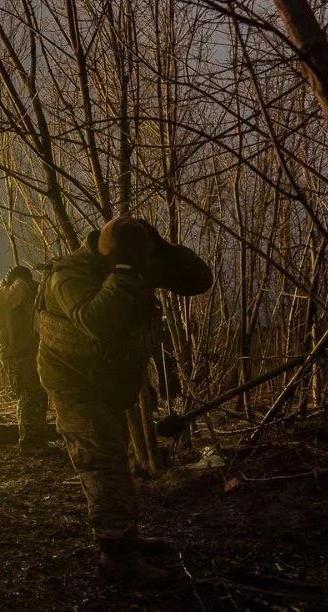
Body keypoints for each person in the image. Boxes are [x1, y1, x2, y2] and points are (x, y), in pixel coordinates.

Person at [36, 217, 212, 588]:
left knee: (115, 457)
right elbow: (96, 319)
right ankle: (115, 554)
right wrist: (126, 269)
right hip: (74, 382)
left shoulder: (130, 262)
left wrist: (162, 251)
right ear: (112, 253)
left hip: (109, 379)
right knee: (101, 461)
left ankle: (127, 539)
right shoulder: (68, 275)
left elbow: (199, 280)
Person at [0, 265, 47, 455]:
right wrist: (24, 279)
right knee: (29, 396)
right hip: (15, 355)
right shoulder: (1, 295)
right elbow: (19, 291)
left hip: (28, 353)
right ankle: (30, 445)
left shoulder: (20, 294)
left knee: (37, 396)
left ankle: (36, 442)